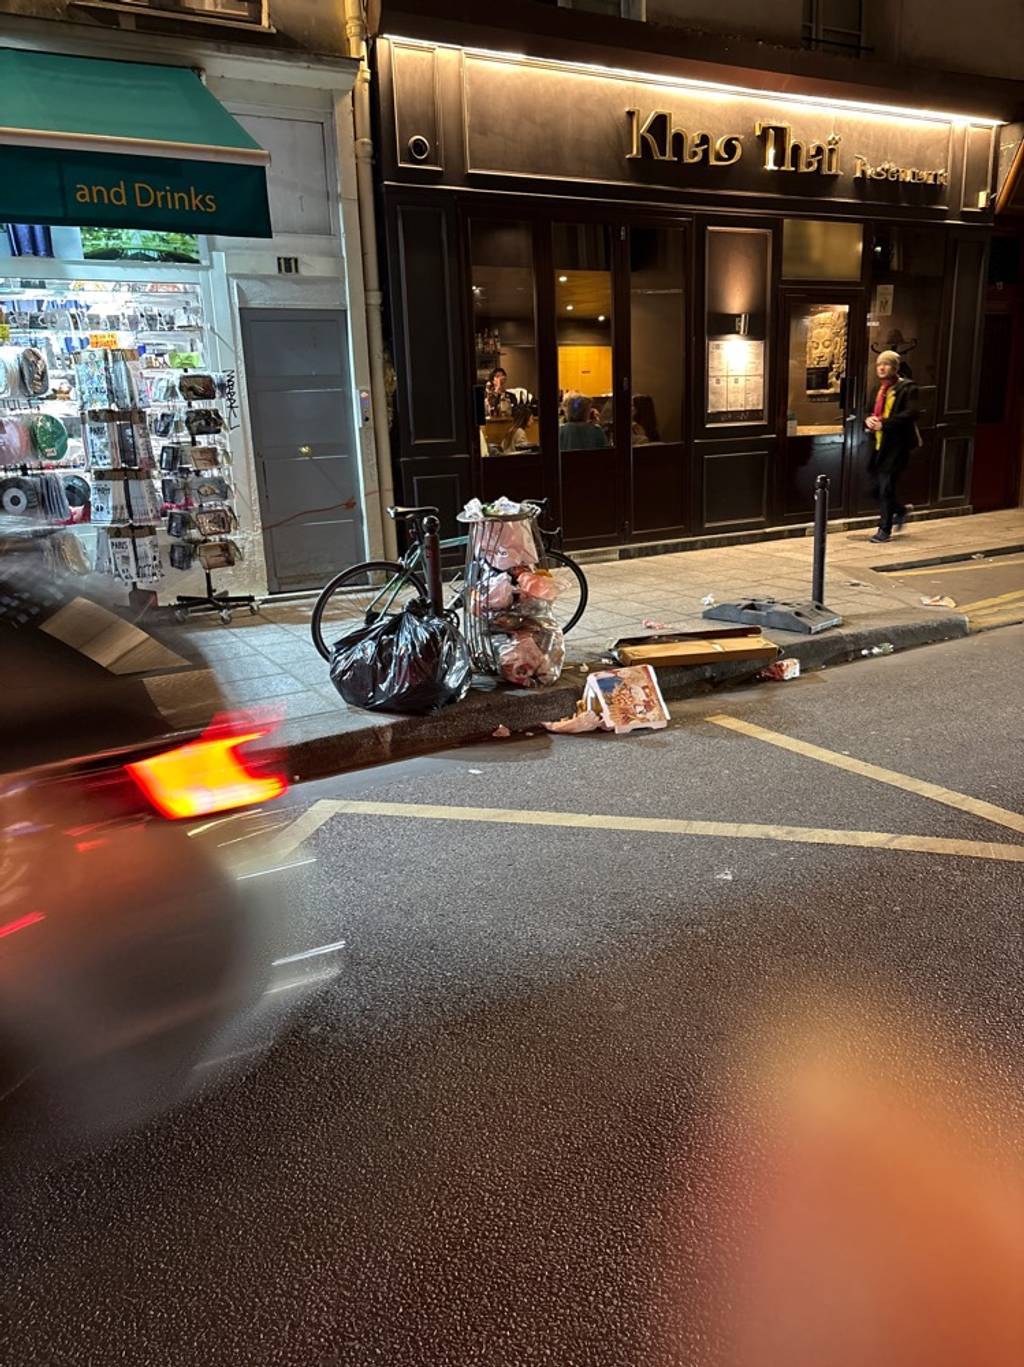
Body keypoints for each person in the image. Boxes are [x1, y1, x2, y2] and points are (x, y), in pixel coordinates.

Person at [865, 348, 919, 543]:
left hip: (897, 446)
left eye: (886, 364)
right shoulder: (877, 389)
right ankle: (900, 510)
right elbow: (869, 411)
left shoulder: (907, 388)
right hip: (878, 445)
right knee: (874, 488)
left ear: (895, 368)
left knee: (886, 488)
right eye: (879, 364)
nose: (881, 368)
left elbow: (911, 413)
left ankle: (884, 530)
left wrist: (884, 424)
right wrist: (868, 420)